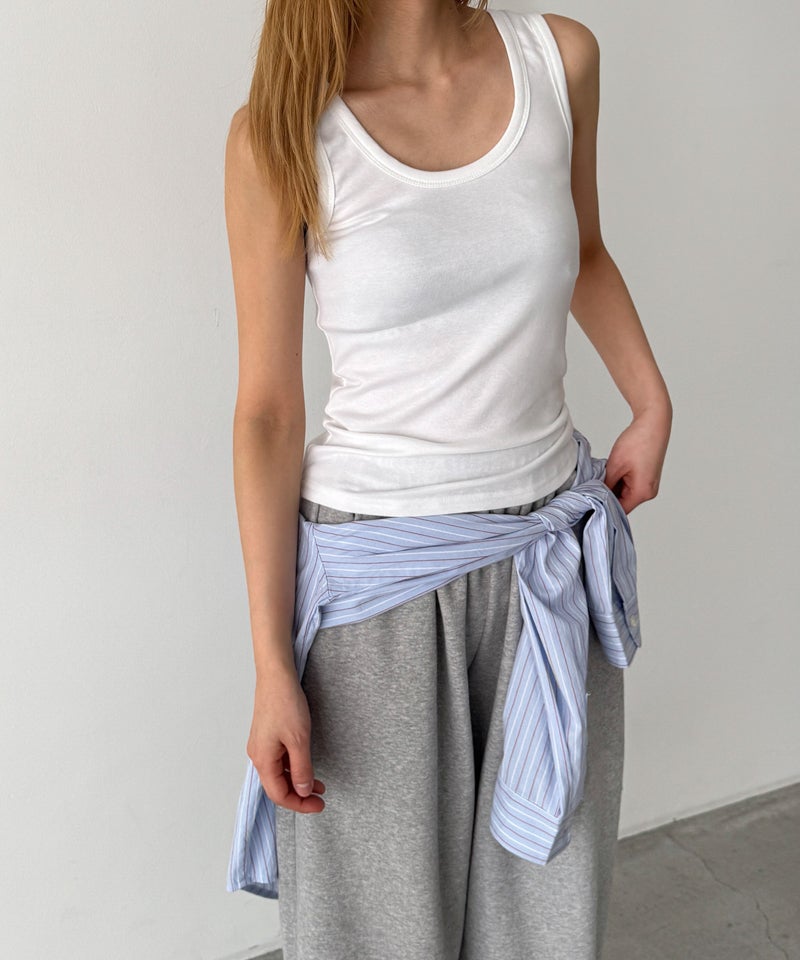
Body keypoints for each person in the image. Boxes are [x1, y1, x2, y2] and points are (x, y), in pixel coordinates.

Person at [223, 1, 672, 958]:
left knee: (548, 927)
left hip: (549, 568)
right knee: (375, 938)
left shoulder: (559, 60)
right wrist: (271, 666)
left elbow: (585, 251)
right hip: (375, 596)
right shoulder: (280, 130)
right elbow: (267, 413)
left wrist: (650, 400)